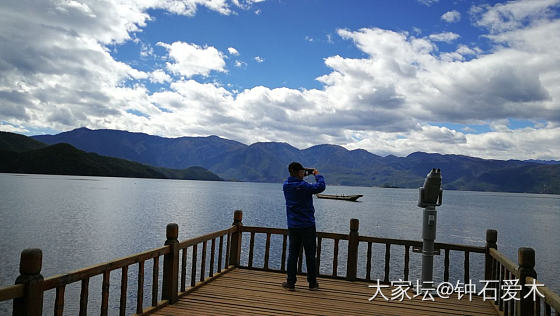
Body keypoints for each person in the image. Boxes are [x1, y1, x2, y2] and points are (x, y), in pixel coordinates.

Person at [282, 161, 326, 291]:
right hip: (307, 225)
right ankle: (312, 283)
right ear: (297, 172)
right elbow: (321, 186)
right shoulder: (304, 186)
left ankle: (290, 283)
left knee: (293, 254)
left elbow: (298, 179)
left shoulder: (286, 185)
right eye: (301, 171)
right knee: (310, 255)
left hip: (293, 225)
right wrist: (316, 174)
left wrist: (304, 172)